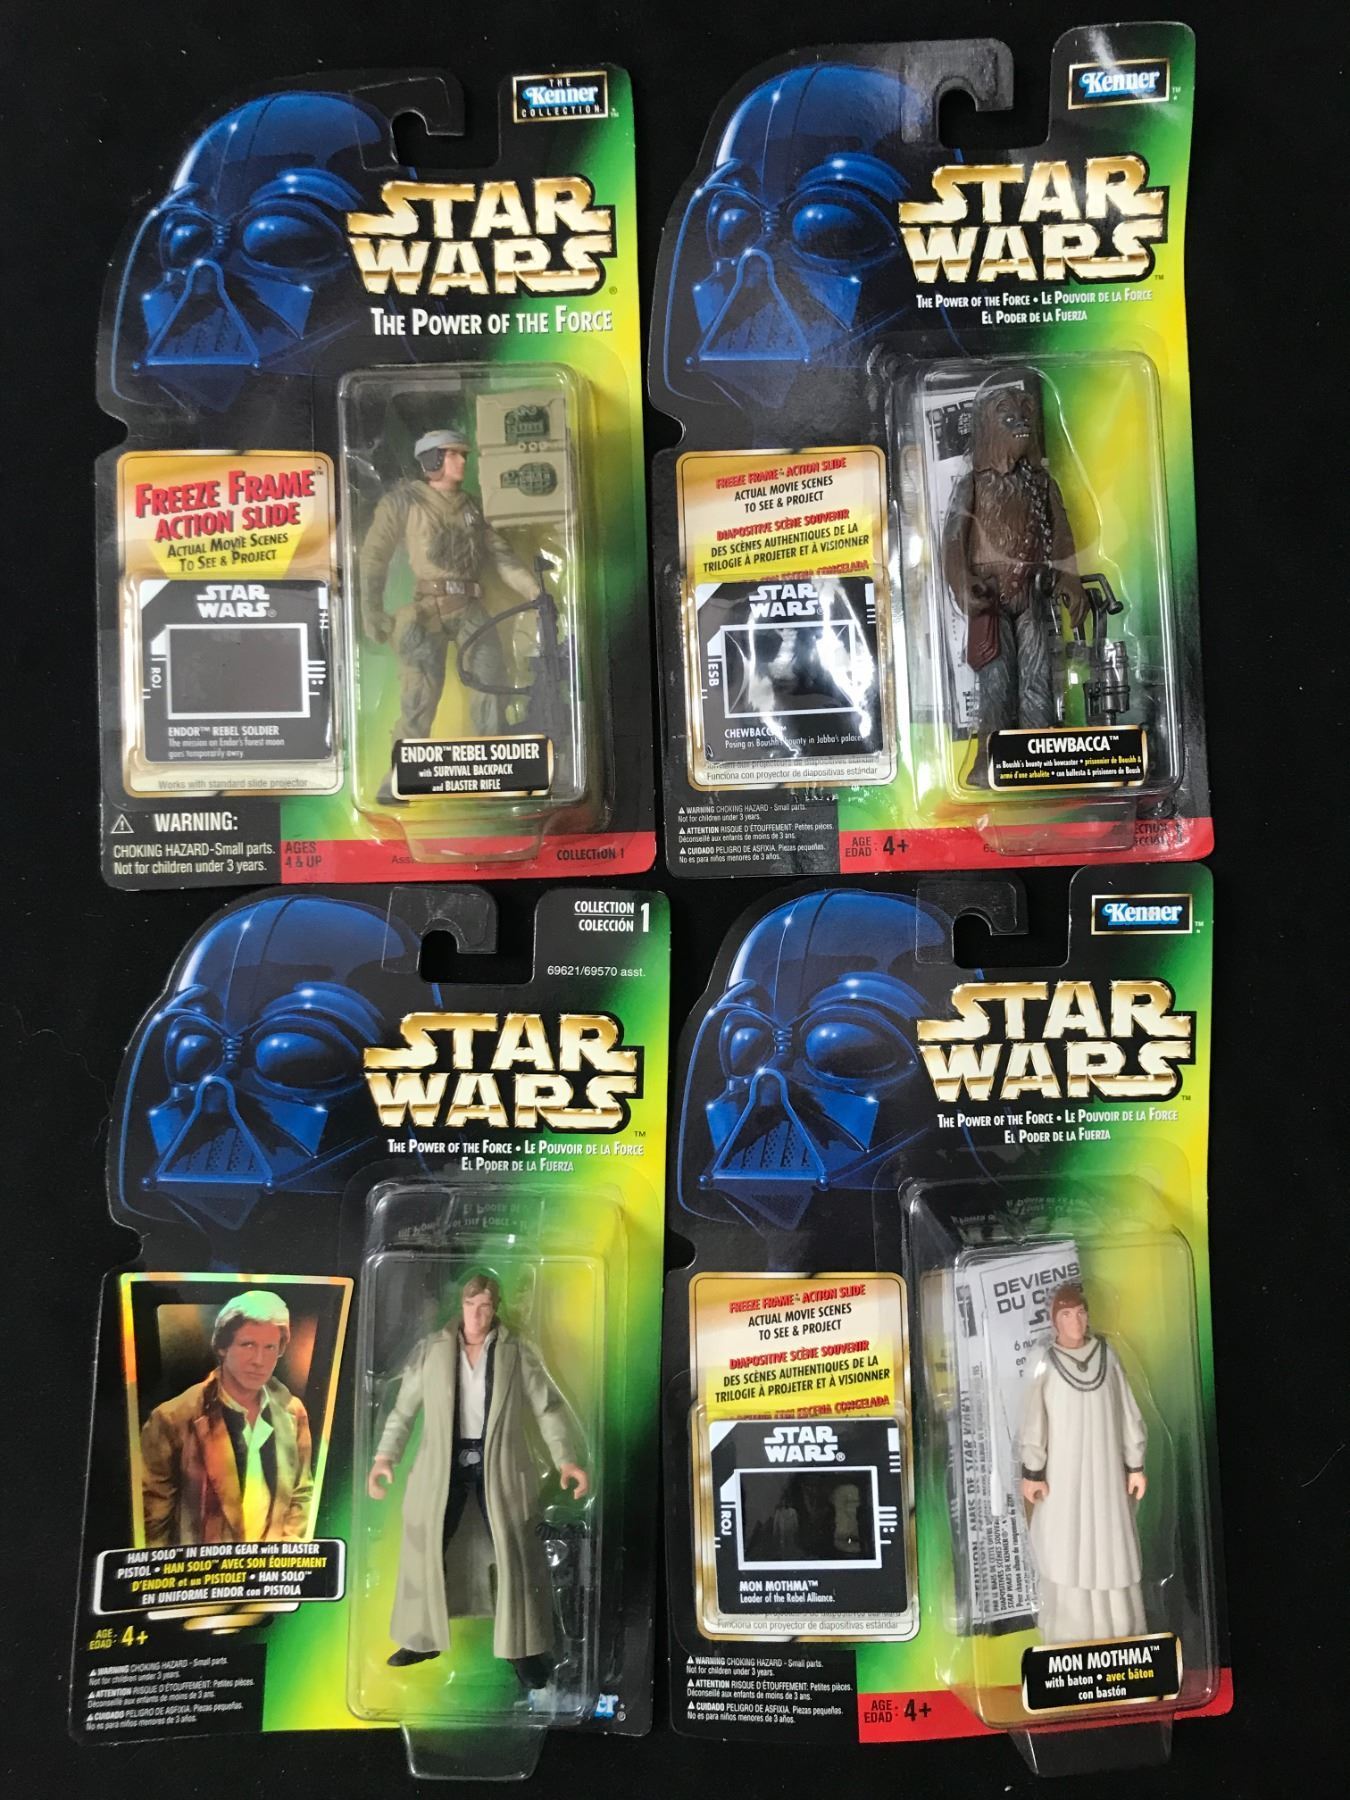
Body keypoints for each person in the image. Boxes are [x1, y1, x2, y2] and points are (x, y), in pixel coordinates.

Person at [368, 1272, 589, 1690]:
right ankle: (419, 1639)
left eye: (485, 1306)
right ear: (461, 1306)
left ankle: (524, 1650)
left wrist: (566, 1461)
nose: (477, 1314)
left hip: (501, 1466)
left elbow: (547, 1408)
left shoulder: (515, 1352)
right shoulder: (432, 1351)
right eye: (471, 1305)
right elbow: (402, 1411)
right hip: (441, 1467)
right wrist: (384, 1458)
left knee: (515, 1553)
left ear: (495, 1308)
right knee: (426, 1547)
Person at [358, 427, 541, 803]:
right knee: (418, 696)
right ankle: (400, 776)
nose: (462, 461)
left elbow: (502, 556)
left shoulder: (472, 508)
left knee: (490, 685)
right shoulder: (404, 502)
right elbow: (374, 555)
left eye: (463, 454)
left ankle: (494, 773)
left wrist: (536, 594)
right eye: (453, 454)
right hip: (426, 611)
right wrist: (371, 609)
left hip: (471, 608)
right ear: (433, 460)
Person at [1019, 1280, 1148, 1643]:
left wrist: (1135, 1464)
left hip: (1108, 1478)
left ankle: (1122, 1628)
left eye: (1079, 1313)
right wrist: (1033, 1471)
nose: (1075, 1322)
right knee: (1067, 1549)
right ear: (1054, 1321)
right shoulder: (1046, 1363)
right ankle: (1069, 1633)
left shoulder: (1108, 1357)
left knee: (1111, 1549)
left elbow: (1128, 1414)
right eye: (1066, 1315)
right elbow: (1034, 1422)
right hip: (1064, 1480)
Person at [140, 1289, 313, 1547]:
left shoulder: (293, 1411)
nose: (259, 1360)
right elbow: (151, 1521)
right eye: (248, 1345)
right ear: (222, 1347)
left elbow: (301, 1495)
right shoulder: (172, 1418)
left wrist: (285, 1555)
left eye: (270, 1347)